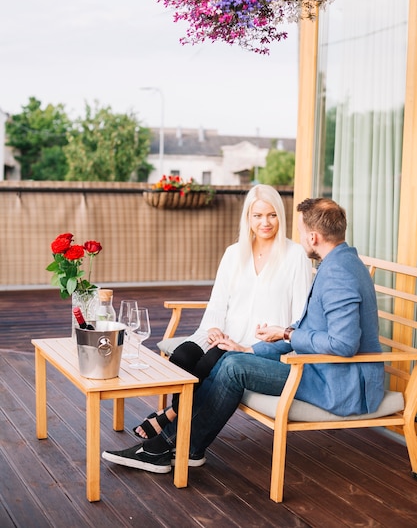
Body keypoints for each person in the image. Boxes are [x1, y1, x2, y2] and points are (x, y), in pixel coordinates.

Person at [103, 197, 385, 474]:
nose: (298, 238)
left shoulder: (339, 273)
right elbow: (314, 333)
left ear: (313, 237)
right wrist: (252, 349)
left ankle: (173, 447)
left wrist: (286, 332)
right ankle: (178, 447)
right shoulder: (339, 263)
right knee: (234, 358)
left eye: (300, 232)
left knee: (234, 368)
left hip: (338, 382)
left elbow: (343, 344)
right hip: (317, 367)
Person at [133, 184, 312, 439]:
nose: (265, 222)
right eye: (258, 215)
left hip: (257, 344)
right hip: (223, 332)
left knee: (209, 362)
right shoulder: (233, 253)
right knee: (182, 357)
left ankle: (170, 418)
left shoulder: (295, 256)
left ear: (280, 217)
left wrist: (274, 337)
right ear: (248, 217)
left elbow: (300, 317)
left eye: (272, 215)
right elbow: (217, 302)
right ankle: (175, 418)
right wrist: (214, 328)